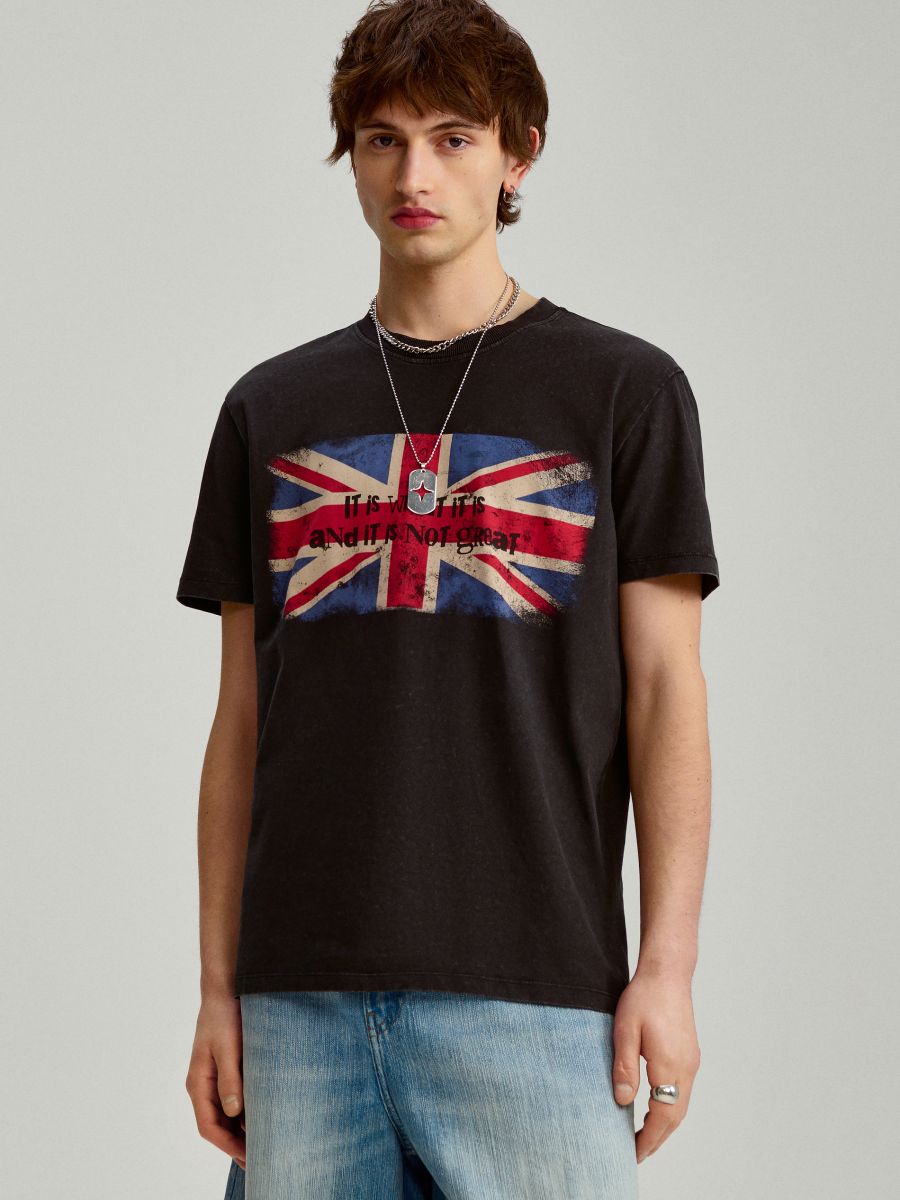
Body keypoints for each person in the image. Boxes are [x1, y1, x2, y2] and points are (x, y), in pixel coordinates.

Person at [178, 1, 720, 1196]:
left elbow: (665, 690)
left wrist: (668, 970)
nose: (412, 176)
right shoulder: (269, 408)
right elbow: (241, 722)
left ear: (519, 153)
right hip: (300, 1003)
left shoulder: (623, 392)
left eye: (452, 138)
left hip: (534, 994)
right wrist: (219, 990)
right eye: (382, 141)